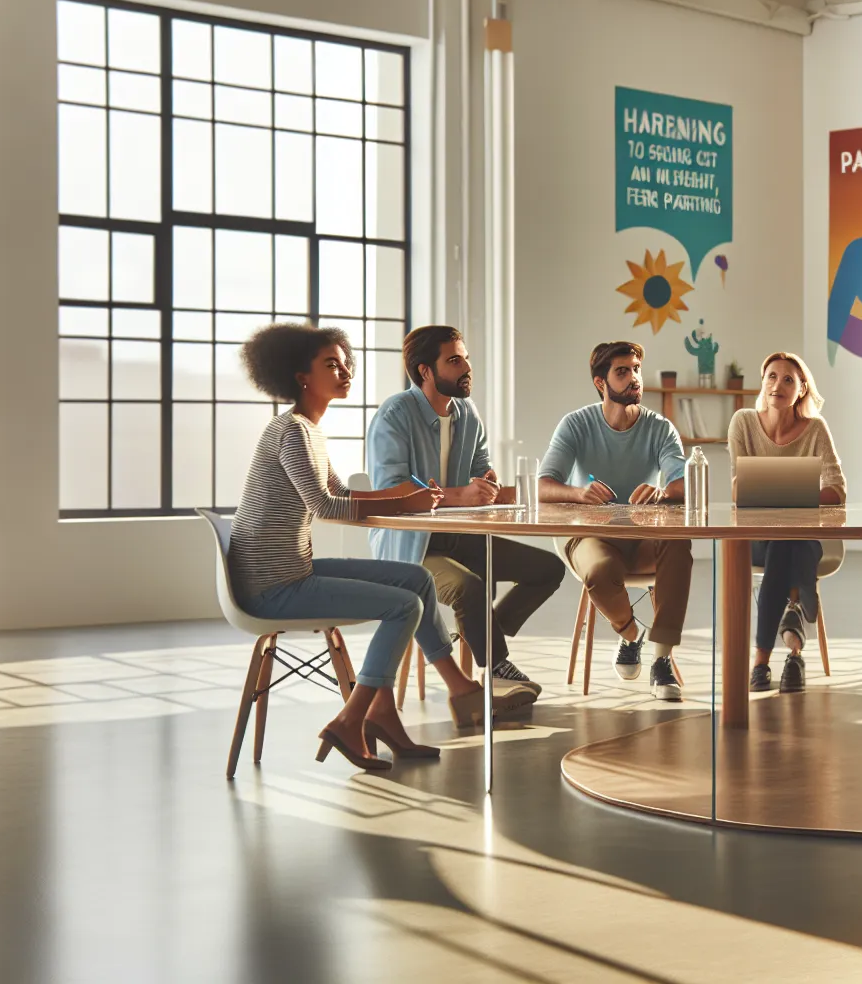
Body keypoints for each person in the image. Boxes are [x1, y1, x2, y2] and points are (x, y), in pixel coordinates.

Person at [228, 323, 525, 772]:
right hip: (274, 585)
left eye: (346, 362)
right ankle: (355, 718)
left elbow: (343, 492)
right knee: (404, 606)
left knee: (417, 578)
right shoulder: (291, 431)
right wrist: (405, 500)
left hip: (293, 569)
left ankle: (436, 697)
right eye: (331, 364)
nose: (346, 370)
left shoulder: (310, 430)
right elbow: (326, 504)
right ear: (299, 375)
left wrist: (403, 496)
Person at [366, 326, 565, 697]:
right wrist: (461, 495)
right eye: (454, 360)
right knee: (469, 589)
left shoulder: (466, 412)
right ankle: (497, 667)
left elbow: (481, 465)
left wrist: (487, 480)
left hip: (459, 536)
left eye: (466, 358)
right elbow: (391, 492)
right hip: (410, 546)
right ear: (425, 371)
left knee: (548, 568)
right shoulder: (395, 414)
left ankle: (484, 633)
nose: (466, 367)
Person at [538, 341, 691, 701]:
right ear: (600, 382)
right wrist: (579, 493)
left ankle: (662, 658)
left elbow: (685, 481)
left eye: (636, 369)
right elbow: (543, 484)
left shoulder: (660, 428)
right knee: (599, 568)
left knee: (678, 545)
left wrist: (663, 493)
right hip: (589, 534)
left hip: (643, 536)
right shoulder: (576, 424)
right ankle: (630, 635)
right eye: (622, 372)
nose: (634, 378)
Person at [728, 352, 847, 694]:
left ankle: (761, 663)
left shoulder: (815, 429)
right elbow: (738, 489)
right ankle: (794, 647)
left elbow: (837, 490)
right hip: (755, 538)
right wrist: (800, 493)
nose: (777, 384)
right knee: (784, 544)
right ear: (762, 383)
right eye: (771, 376)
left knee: (787, 543)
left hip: (803, 536)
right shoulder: (744, 422)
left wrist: (775, 494)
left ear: (802, 389)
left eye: (788, 379)